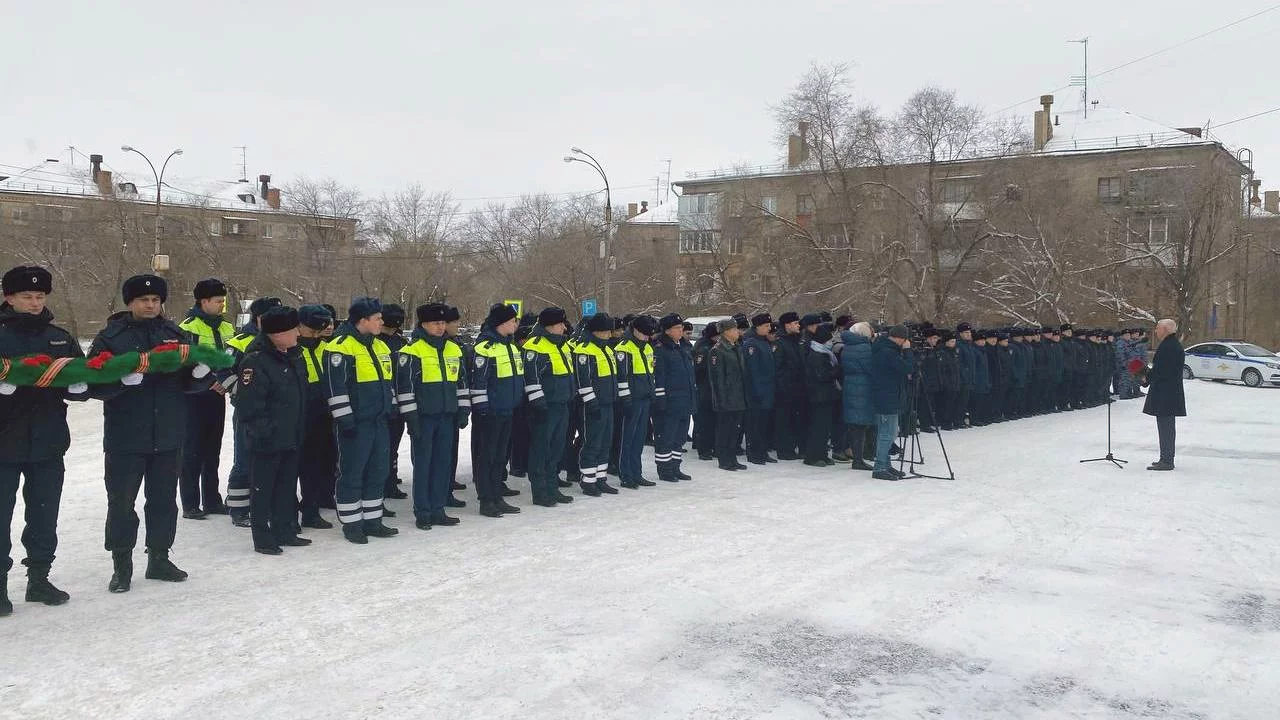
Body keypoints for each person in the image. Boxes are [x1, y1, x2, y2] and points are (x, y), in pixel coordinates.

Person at [89, 274, 194, 592]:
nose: (150, 305)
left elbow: (191, 381)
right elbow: (91, 381)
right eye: (143, 300)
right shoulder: (111, 337)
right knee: (121, 502)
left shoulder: (176, 334)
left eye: (155, 300)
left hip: (168, 433)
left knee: (163, 500)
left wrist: (201, 374)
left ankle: (159, 558)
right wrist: (119, 383)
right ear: (130, 303)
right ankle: (122, 565)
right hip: (126, 436)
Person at [0, 266, 86, 615]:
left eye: (40, 296)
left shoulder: (60, 338)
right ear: (8, 298)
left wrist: (80, 387)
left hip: (49, 443)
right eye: (27, 297)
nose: (35, 303)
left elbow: (82, 377)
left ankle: (39, 579)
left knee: (44, 516)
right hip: (3, 444)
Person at [236, 306, 311, 555]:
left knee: (286, 487)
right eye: (293, 330)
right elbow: (249, 406)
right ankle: (263, 536)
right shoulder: (256, 361)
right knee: (263, 489)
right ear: (277, 334)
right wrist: (265, 432)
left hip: (292, 436)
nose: (298, 334)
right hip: (267, 439)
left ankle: (285, 530)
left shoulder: (294, 355)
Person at [324, 297, 398, 543]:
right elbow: (335, 388)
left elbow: (388, 384)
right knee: (353, 473)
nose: (381, 322)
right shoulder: (340, 347)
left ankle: (373, 520)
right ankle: (352, 524)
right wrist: (345, 420)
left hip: (379, 421)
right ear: (362, 321)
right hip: (355, 424)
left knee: (378, 471)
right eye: (377, 318)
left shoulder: (381, 347)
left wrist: (392, 408)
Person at [396, 303, 471, 528]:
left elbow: (462, 383)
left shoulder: (453, 350)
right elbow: (405, 389)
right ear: (423, 325)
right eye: (435, 323)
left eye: (442, 323)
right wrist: (411, 418)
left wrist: (463, 409)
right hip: (424, 418)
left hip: (447, 416)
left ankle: (438, 508)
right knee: (423, 465)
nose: (440, 327)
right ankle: (423, 511)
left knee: (442, 464)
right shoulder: (411, 352)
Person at [176, 278, 234, 520]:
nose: (222, 305)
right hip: (193, 396)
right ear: (204, 301)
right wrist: (211, 381)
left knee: (213, 448)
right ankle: (190, 503)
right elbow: (185, 363)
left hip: (217, 395)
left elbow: (231, 356)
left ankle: (212, 499)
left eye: (223, 300)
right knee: (192, 449)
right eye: (218, 301)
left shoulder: (227, 328)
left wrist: (225, 380)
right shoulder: (188, 328)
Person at [224, 296, 282, 527]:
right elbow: (222, 370)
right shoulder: (240, 342)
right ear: (260, 319)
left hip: (275, 411)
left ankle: (264, 504)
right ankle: (238, 508)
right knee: (244, 458)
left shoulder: (277, 341)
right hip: (248, 411)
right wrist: (243, 392)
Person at [469, 303, 526, 515]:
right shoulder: (484, 348)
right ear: (502, 323)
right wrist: (483, 409)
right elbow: (479, 382)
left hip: (507, 409)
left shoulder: (511, 347)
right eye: (513, 320)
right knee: (488, 456)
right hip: (491, 412)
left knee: (500, 456)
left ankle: (497, 495)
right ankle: (486, 499)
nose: (516, 324)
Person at [520, 307, 576, 506]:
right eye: (560, 323)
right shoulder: (534, 347)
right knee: (541, 449)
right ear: (549, 326)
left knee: (557, 449)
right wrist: (538, 403)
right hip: (544, 407)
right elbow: (531, 378)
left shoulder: (564, 345)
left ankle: (553, 487)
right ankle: (540, 491)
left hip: (562, 404)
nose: (564, 326)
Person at [295, 305, 337, 529]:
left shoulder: (327, 348)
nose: (314, 334)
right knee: (293, 467)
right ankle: (289, 512)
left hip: (323, 415)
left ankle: (311, 509)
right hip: (298, 415)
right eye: (310, 329)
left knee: (316, 464)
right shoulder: (292, 349)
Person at [573, 313, 620, 495]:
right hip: (593, 405)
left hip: (608, 403)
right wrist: (591, 402)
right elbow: (583, 380)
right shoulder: (584, 350)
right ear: (597, 331)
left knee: (605, 442)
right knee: (592, 442)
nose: (610, 335)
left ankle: (601, 478)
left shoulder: (607, 349)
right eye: (607, 331)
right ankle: (588, 480)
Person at [615, 315, 658, 488]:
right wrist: (625, 398)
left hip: (644, 398)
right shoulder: (624, 348)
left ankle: (636, 472)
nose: (647, 337)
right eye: (645, 334)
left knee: (639, 439)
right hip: (631, 400)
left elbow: (650, 372)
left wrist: (652, 391)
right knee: (627, 439)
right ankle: (625, 474)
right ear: (635, 330)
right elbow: (621, 377)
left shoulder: (647, 347)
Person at [653, 313, 695, 482]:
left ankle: (675, 466)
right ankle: (665, 470)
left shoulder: (683, 347)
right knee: (666, 437)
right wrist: (661, 400)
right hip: (670, 401)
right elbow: (659, 378)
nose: (681, 331)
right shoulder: (661, 349)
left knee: (680, 437)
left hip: (684, 400)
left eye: (681, 328)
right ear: (668, 331)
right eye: (677, 328)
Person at [1142, 319, 1185, 471]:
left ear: (1165, 330)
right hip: (1168, 392)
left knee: (1166, 427)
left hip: (1166, 393)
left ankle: (1167, 460)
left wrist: (1146, 376)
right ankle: (1165, 457)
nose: (1155, 331)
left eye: (1158, 328)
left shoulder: (1168, 347)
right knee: (1166, 426)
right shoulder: (1171, 345)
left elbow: (1161, 371)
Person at [871, 325, 911, 481]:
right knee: (888, 433)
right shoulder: (887, 352)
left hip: (888, 395)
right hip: (887, 396)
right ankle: (880, 466)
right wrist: (907, 352)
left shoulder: (885, 349)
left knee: (888, 432)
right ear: (899, 338)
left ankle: (885, 464)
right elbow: (907, 367)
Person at [378, 304, 410, 506]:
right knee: (381, 448)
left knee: (393, 447)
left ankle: (391, 480)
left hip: (398, 403)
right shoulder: (375, 341)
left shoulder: (400, 341)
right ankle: (380, 484)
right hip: (381, 404)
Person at [707, 319, 747, 471]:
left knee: (734, 430)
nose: (737, 331)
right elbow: (717, 379)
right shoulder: (717, 350)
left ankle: (732, 458)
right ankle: (724, 459)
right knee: (725, 430)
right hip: (726, 398)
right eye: (735, 329)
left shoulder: (735, 347)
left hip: (737, 396)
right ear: (726, 332)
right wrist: (721, 400)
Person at [800, 323, 839, 466]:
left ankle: (822, 453)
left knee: (825, 428)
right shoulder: (816, 355)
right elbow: (821, 376)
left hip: (826, 395)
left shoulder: (824, 353)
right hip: (819, 396)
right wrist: (837, 370)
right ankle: (813, 456)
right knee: (818, 427)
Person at [839, 322, 875, 472]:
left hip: (850, 386)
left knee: (855, 424)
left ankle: (855, 455)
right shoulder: (864, 348)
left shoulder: (848, 346)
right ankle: (858, 459)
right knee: (860, 425)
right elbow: (871, 368)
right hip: (863, 388)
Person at [741, 313, 777, 465]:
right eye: (766, 326)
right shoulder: (751, 344)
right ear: (757, 327)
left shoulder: (763, 342)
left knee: (763, 424)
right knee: (754, 425)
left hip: (767, 390)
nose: (769, 329)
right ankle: (754, 453)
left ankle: (762, 451)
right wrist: (756, 392)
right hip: (756, 392)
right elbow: (753, 370)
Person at [771, 311, 805, 460]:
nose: (798, 326)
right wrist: (783, 387)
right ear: (787, 325)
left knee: (793, 420)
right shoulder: (780, 342)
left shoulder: (795, 340)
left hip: (796, 388)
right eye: (796, 323)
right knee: (783, 420)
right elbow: (777, 368)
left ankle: (790, 447)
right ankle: (784, 449)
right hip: (785, 389)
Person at [692, 322, 719, 461]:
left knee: (714, 420)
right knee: (705, 421)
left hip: (714, 388)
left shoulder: (715, 347)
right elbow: (698, 370)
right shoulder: (703, 348)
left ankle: (713, 446)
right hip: (704, 388)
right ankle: (704, 449)